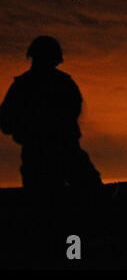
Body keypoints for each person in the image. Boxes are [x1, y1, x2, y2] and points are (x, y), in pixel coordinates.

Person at [0, 36, 102, 188]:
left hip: (49, 151)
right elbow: (6, 122)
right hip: (55, 151)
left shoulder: (23, 86)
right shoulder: (62, 83)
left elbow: (6, 122)